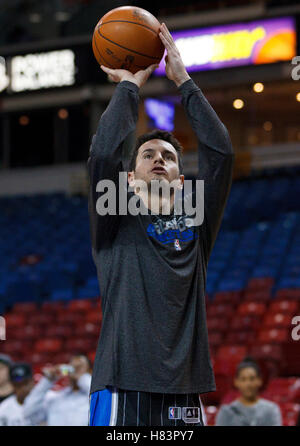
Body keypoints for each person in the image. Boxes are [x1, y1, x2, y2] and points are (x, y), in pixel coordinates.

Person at [87, 22, 234, 426]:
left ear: (182, 182)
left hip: (185, 388)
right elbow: (102, 156)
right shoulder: (113, 216)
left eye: (168, 157)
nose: (158, 160)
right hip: (122, 384)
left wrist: (184, 81)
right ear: (129, 179)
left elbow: (220, 154)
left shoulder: (197, 218)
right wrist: (128, 87)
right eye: (147, 154)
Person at [23, 354, 92, 426]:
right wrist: (47, 381)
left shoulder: (92, 399)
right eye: (72, 367)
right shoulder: (56, 398)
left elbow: (99, 398)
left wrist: (82, 377)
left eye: (79, 367)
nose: (75, 370)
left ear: (90, 371)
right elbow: (28, 412)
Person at [215, 357, 282, 426]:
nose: (248, 384)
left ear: (260, 380)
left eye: (252, 379)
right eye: (243, 379)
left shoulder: (271, 410)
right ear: (236, 382)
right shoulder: (226, 412)